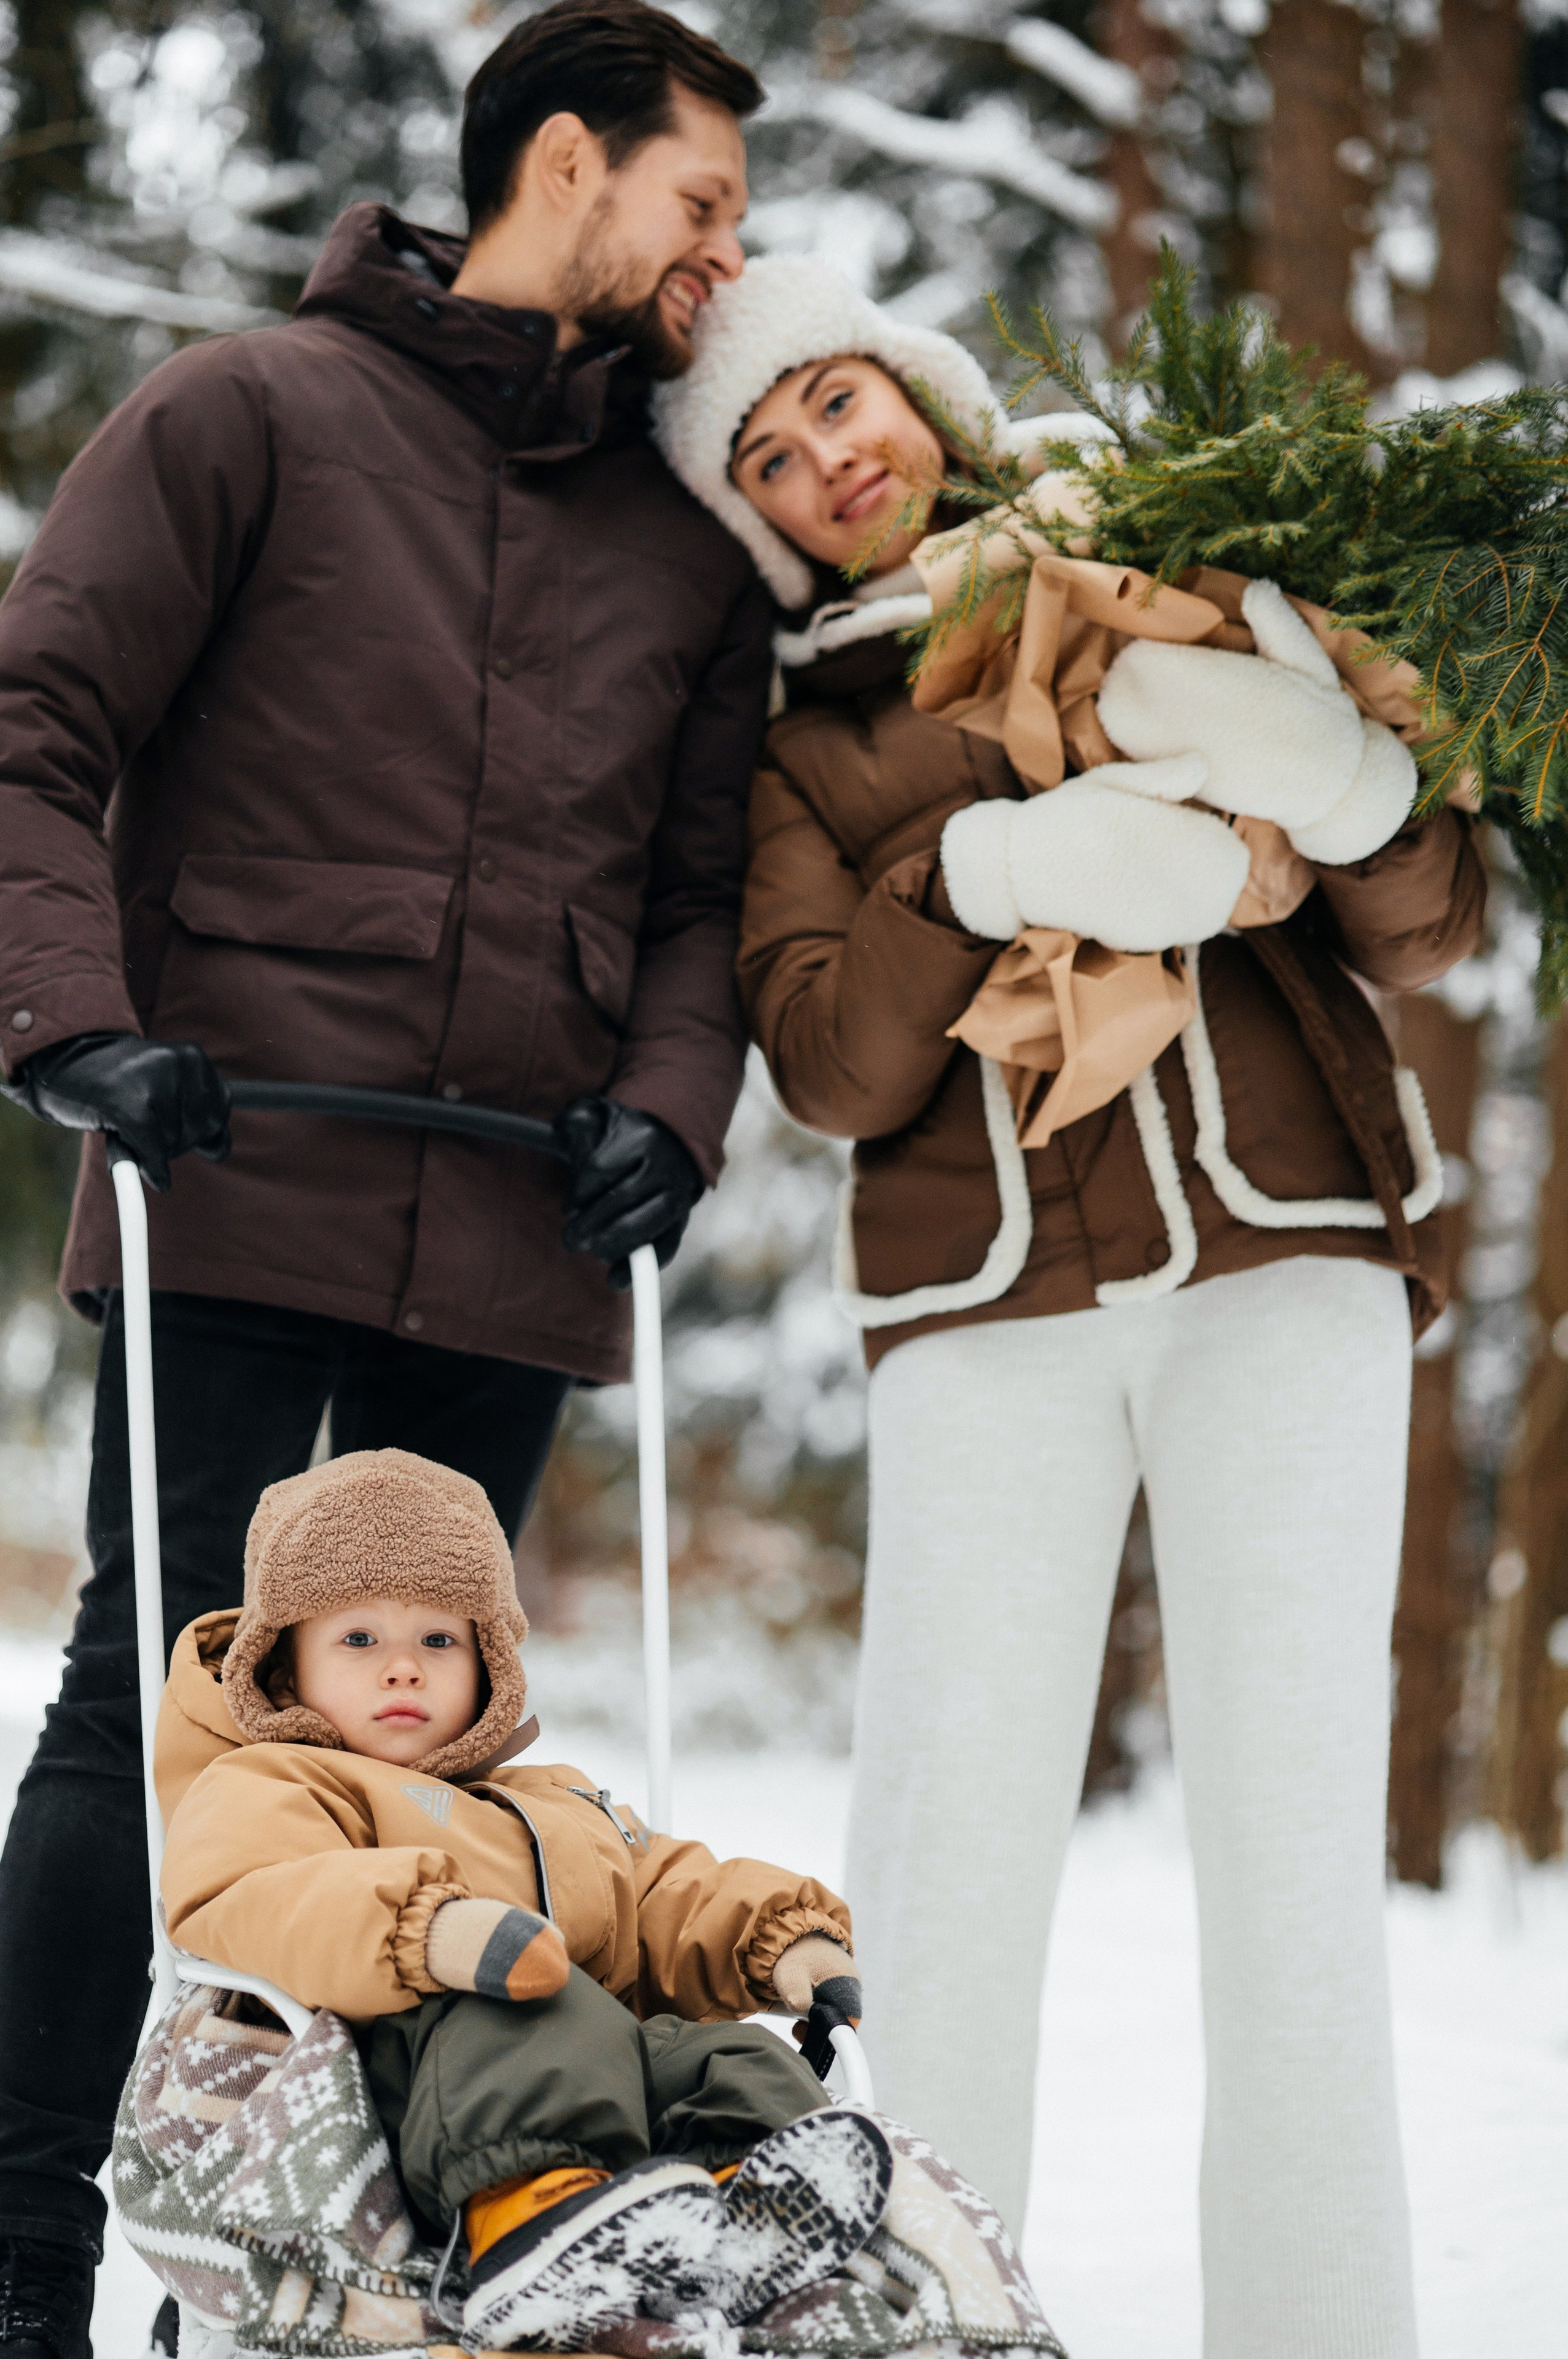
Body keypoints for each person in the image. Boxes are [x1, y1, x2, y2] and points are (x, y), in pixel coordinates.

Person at [0, 4, 776, 2345]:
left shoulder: (688, 543)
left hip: (520, 1204)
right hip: (236, 1163)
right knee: (160, 1716)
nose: (729, 258)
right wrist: (77, 1029)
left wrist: (671, 1107)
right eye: (704, 203)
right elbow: (35, 723)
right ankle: (25, 2259)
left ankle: (378, 2264)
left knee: (431, 1760)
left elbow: (704, 895)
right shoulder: (251, 413)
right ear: (570, 162)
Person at [650, 254, 1488, 2358]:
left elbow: (1433, 923)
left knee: (1297, 1876)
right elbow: (831, 1061)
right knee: (945, 1862)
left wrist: (1342, 782)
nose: (827, 463)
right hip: (984, 1308)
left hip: (1287, 1264)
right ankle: (929, 2322)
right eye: (770, 459)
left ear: (919, 393)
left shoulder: (1185, 560)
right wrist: (981, 877)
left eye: (838, 402)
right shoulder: (793, 751)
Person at [154, 1447, 885, 2350]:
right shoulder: (274, 1780)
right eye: (359, 1640)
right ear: (286, 1666)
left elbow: (656, 1889)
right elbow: (256, 1891)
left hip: (598, 2069)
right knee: (535, 2008)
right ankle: (534, 2221)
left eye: (438, 1641)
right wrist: (425, 1930)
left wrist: (780, 1938)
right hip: (399, 2068)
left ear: (488, 1662)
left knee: (731, 2058)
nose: (402, 1668)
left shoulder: (546, 1801)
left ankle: (750, 2212)